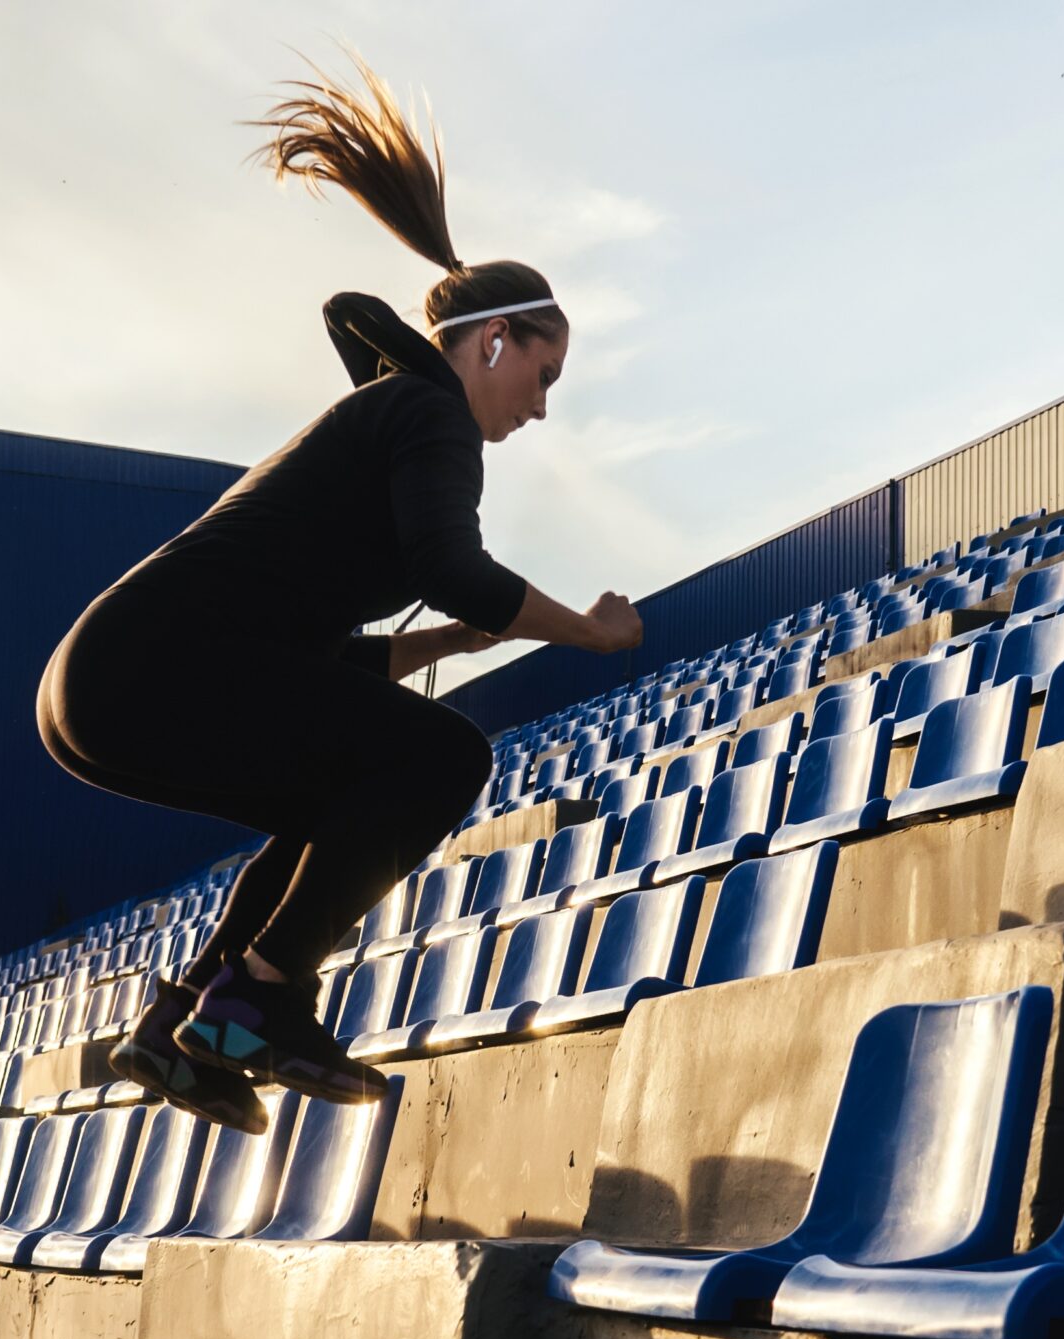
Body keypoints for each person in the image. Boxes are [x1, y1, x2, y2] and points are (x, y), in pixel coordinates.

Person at [36, 54, 643, 1133]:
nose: (541, 409)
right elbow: (455, 568)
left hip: (105, 683)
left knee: (338, 795)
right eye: (542, 375)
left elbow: (317, 650)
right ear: (494, 341)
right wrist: (586, 632)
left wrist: (444, 642)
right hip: (152, 670)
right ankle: (264, 999)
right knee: (446, 756)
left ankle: (187, 1024)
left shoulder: (392, 418)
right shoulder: (430, 415)